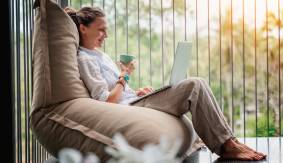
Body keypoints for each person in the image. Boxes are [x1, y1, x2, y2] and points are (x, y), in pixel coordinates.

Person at [65, 6, 267, 161]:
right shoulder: (85, 59)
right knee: (194, 85)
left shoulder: (100, 56)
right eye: (101, 30)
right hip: (129, 110)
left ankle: (229, 141)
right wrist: (125, 75)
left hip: (135, 101)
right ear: (83, 28)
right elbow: (106, 100)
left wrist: (137, 90)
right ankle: (227, 146)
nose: (105, 35)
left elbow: (119, 91)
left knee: (198, 83)